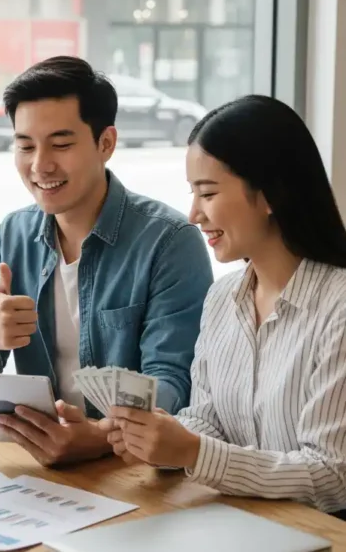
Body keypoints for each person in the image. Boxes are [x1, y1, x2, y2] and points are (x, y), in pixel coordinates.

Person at [0, 56, 213, 467]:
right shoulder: (14, 234)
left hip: (132, 467)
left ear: (106, 143)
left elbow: (174, 387)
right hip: (42, 463)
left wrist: (100, 437)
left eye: (61, 144)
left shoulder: (170, 241)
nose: (40, 165)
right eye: (25, 146)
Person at [106, 94, 346, 514]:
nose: (194, 214)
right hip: (238, 522)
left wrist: (195, 453)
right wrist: (157, 439)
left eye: (208, 193)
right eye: (193, 193)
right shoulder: (222, 298)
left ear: (271, 193)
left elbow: (330, 477)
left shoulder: (338, 306)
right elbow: (208, 420)